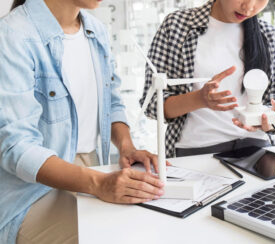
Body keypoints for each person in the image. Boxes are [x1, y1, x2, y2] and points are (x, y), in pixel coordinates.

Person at [0, 0, 167, 243]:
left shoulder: (96, 30)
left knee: (153, 224)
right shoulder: (12, 35)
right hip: (32, 193)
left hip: (91, 170)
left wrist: (127, 147)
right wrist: (98, 184)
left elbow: (112, 102)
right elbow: (17, 148)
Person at [141, 0, 275, 175]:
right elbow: (151, 105)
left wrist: (271, 121)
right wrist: (199, 99)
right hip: (195, 150)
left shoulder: (268, 35)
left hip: (257, 151)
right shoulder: (177, 26)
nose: (249, 7)